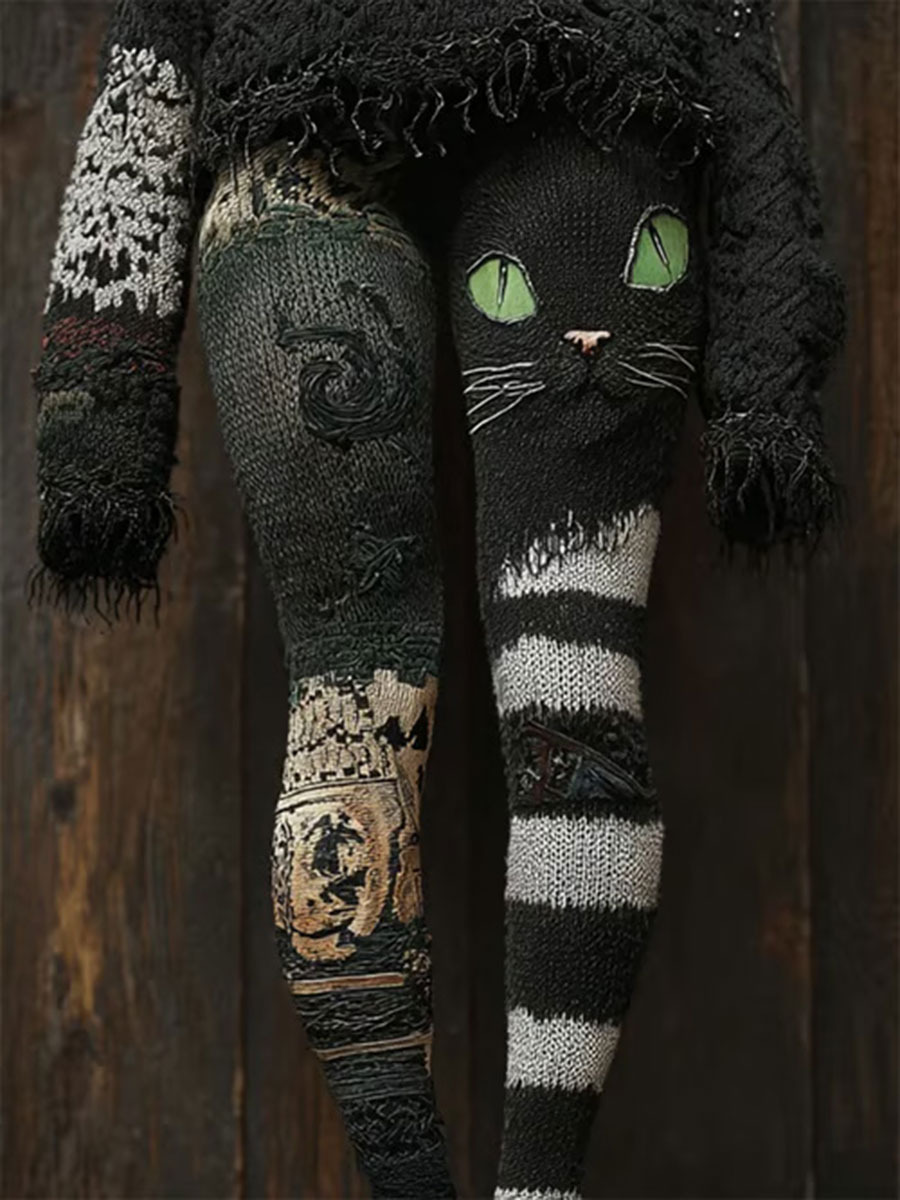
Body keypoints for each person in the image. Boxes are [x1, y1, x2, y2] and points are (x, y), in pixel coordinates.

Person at [29, 3, 845, 1196]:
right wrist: (768, 395)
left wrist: (96, 430)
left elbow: (148, 75)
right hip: (581, 106)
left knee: (350, 694)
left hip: (315, 122)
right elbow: (741, 62)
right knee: (570, 673)